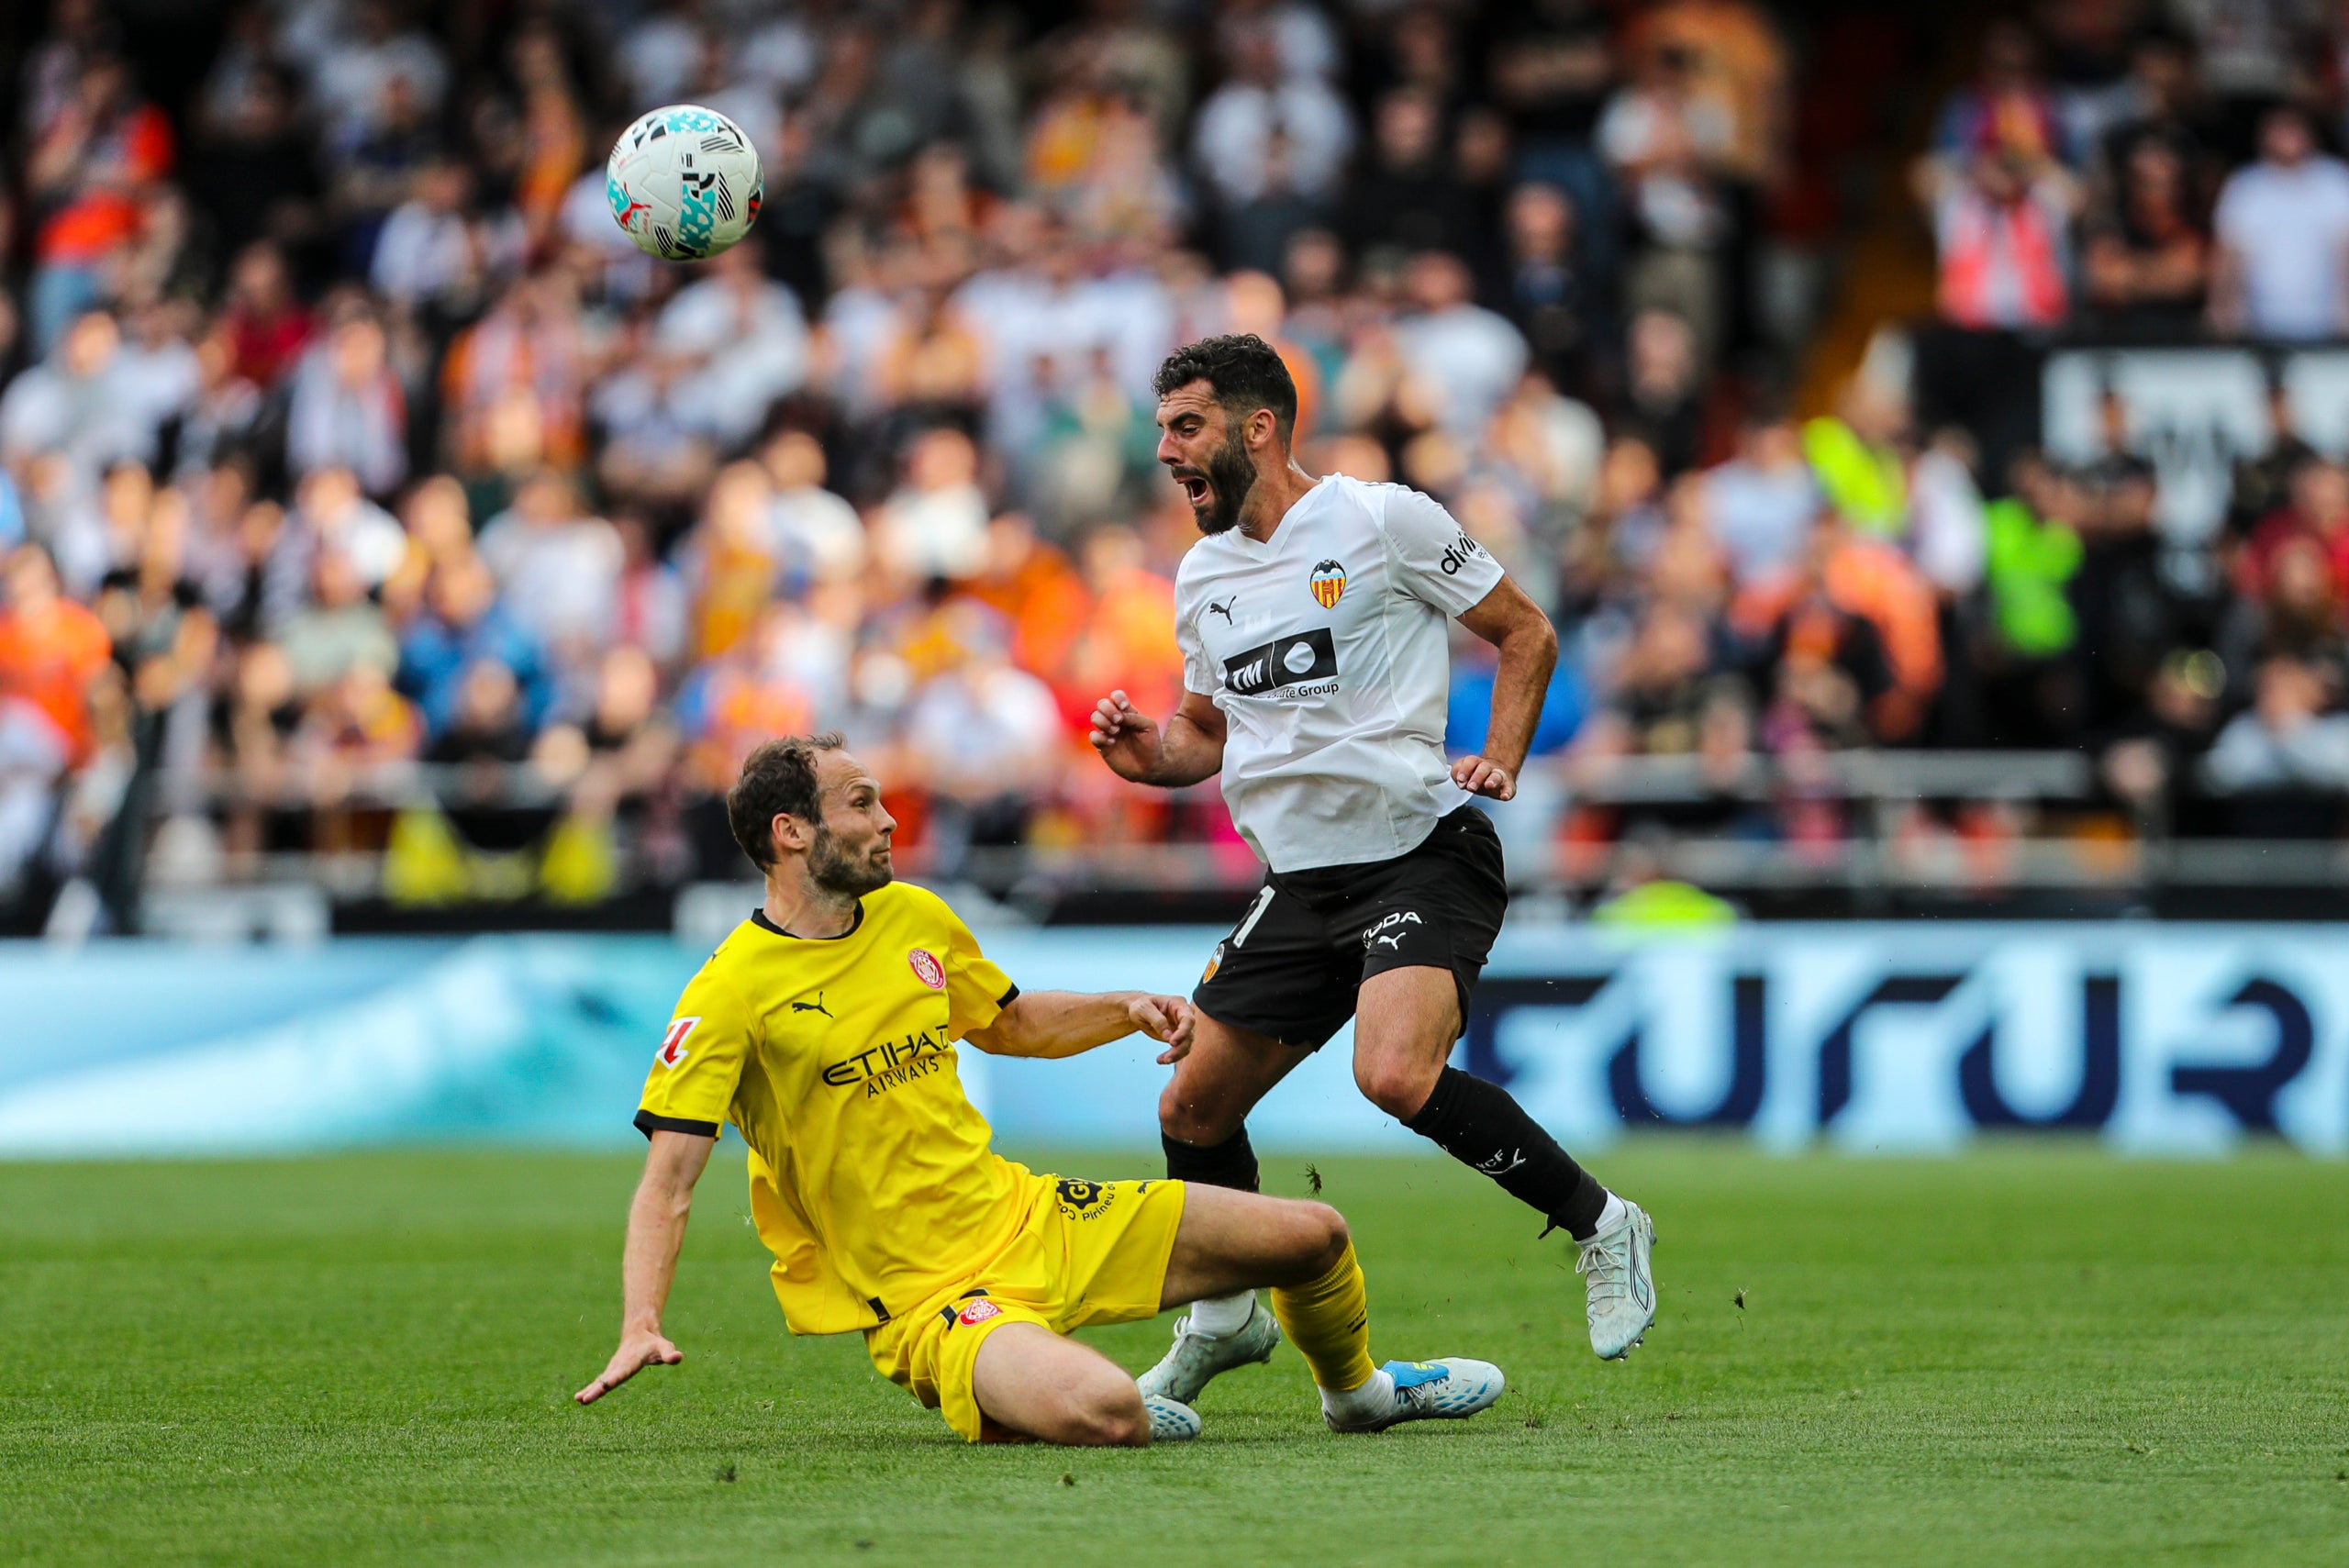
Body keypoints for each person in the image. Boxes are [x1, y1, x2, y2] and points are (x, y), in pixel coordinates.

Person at [575, 732, 1506, 1446]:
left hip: (1030, 1213)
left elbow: (1011, 1022)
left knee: (1314, 1235)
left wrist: (1124, 1007)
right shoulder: (729, 990)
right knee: (1111, 1412)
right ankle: (1058, 1385)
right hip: (931, 1300)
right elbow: (669, 1183)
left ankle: (1359, 1396)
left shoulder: (912, 916)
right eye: (861, 802)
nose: (890, 817)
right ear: (792, 831)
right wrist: (641, 1321)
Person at [1085, 335, 1657, 1407]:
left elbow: (1525, 630)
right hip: (1301, 880)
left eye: (1186, 426)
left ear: (1259, 427)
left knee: (1392, 1074)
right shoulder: (1201, 573)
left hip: (1419, 853)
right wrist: (1144, 755)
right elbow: (1203, 731)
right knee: (1191, 1108)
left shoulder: (1381, 519)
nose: (1164, 450)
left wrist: (1505, 754)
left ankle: (1602, 1222)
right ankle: (1226, 1318)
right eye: (1161, 426)